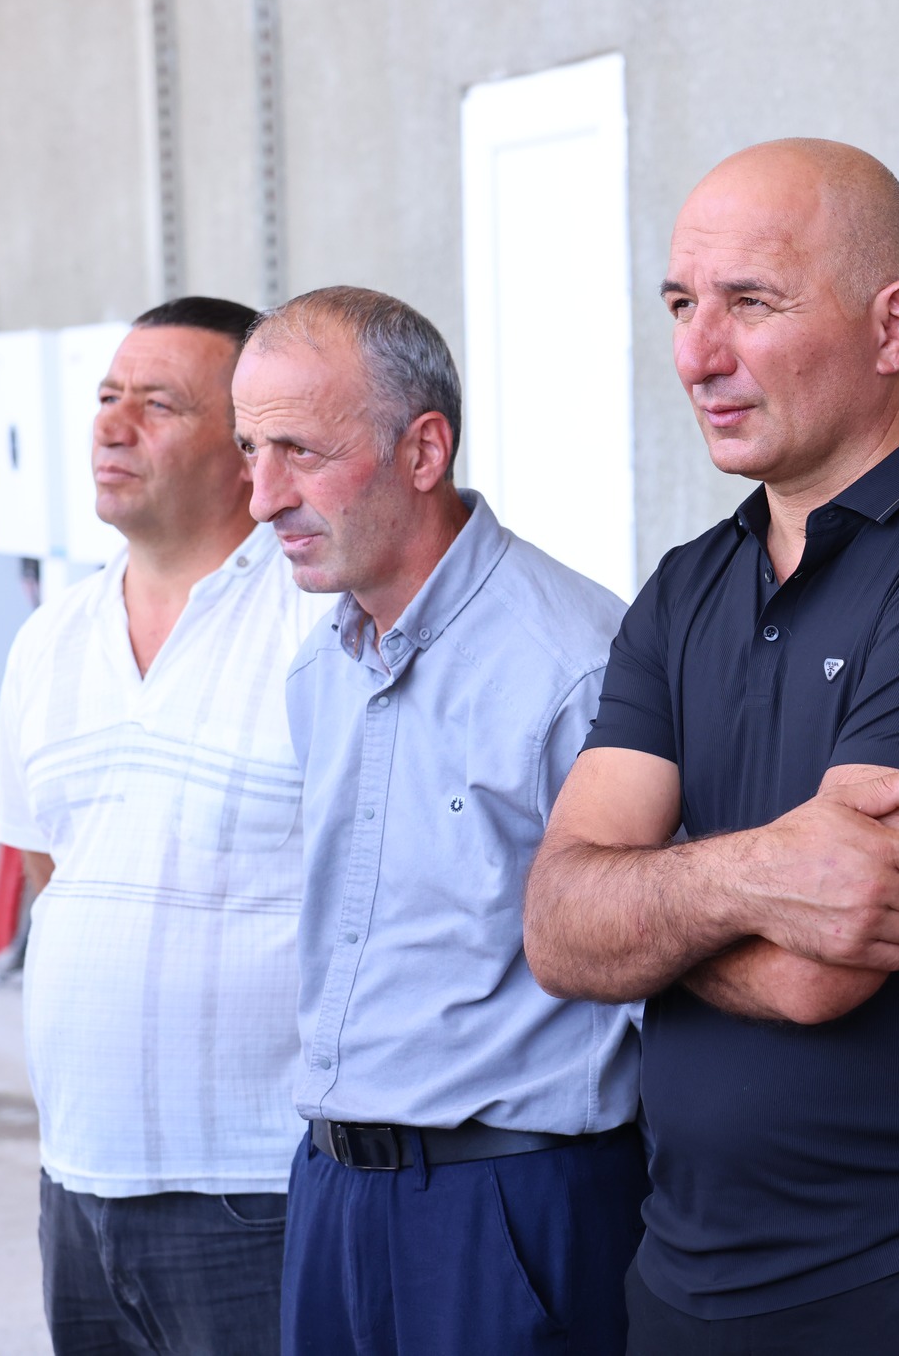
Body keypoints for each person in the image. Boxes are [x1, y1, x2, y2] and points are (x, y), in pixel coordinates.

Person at [522, 139, 899, 1355]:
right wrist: (747, 879)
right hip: (682, 1271)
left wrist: (643, 910)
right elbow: (554, 930)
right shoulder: (686, 588)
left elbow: (817, 966)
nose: (697, 354)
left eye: (751, 302)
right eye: (681, 305)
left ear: (894, 326)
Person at [232, 285, 643, 1356]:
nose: (262, 498)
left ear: (424, 450)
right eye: (249, 450)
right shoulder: (322, 667)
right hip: (333, 1189)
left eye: (300, 452)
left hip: (508, 1205)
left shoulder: (573, 663)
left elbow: (657, 961)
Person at [0, 295, 328, 1354]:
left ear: (246, 451)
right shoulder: (48, 640)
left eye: (158, 403)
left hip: (258, 1188)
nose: (111, 423)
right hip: (77, 1183)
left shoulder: (322, 627)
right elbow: (52, 875)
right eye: (106, 397)